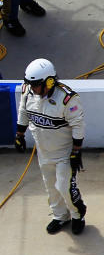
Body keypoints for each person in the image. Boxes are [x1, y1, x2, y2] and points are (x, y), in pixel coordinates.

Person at [16, 58, 87, 235]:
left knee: (64, 187)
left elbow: (78, 125)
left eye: (35, 85)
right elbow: (23, 111)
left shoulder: (67, 99)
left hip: (64, 154)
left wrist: (76, 153)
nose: (32, 89)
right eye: (30, 85)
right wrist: (19, 135)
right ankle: (60, 216)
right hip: (43, 152)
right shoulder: (28, 91)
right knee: (50, 187)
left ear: (49, 82)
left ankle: (78, 214)